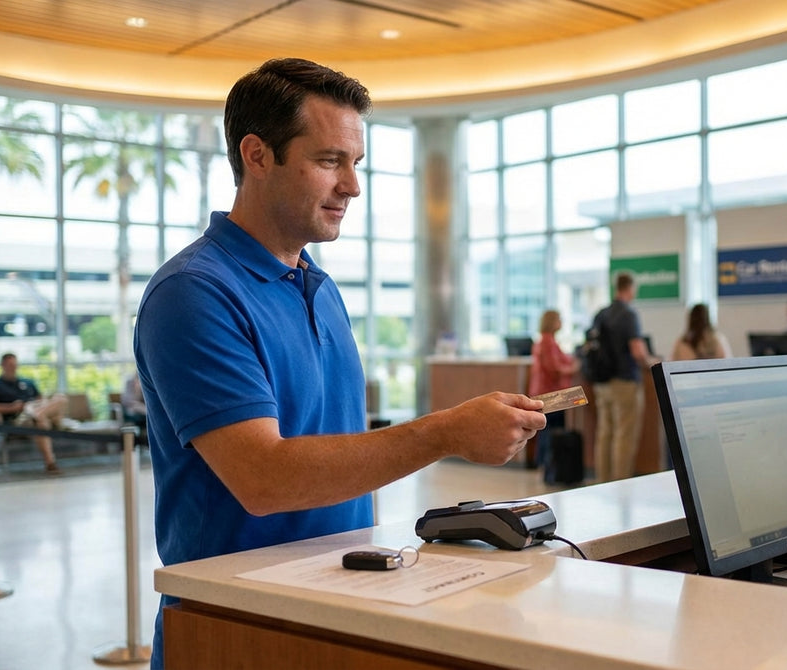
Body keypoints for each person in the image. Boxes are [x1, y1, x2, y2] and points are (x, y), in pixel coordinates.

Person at [133, 58, 546, 669]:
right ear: (257, 155)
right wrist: (446, 431)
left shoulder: (318, 285)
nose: (352, 185)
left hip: (338, 602)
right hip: (237, 625)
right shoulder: (194, 293)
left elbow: (334, 448)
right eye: (330, 161)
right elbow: (264, 478)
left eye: (356, 164)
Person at [588, 271, 652, 482]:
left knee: (605, 433)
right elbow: (637, 350)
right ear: (631, 288)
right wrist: (648, 361)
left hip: (601, 382)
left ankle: (603, 481)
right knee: (624, 435)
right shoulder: (628, 314)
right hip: (624, 381)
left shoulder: (601, 313)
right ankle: (620, 482)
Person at [0, 352, 66, 474]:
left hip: (35, 409)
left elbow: (40, 399)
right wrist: (12, 407)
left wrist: (40, 405)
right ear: (3, 365)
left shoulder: (28, 382)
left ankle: (39, 413)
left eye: (15, 364)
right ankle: (50, 463)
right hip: (18, 418)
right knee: (41, 422)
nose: (13, 367)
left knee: (60, 398)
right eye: (10, 365)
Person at [529, 309, 579, 463]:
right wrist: (573, 369)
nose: (562, 322)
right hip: (551, 393)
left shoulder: (543, 341)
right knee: (551, 429)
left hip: (542, 391)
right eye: (559, 319)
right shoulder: (548, 342)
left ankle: (545, 464)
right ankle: (549, 465)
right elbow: (554, 369)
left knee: (546, 428)